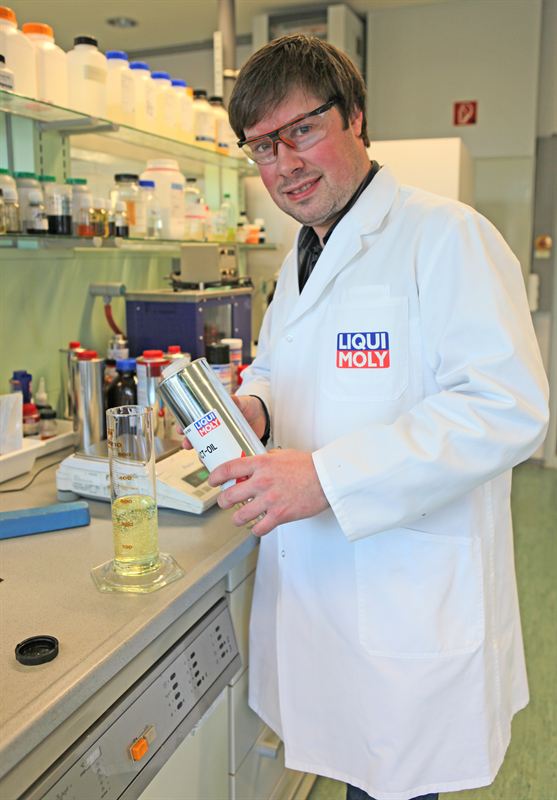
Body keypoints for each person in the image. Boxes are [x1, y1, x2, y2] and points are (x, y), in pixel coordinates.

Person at [194, 34, 549, 800]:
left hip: (404, 593)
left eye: (302, 130)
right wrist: (254, 404)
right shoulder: (302, 254)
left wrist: (327, 478)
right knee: (358, 768)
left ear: (354, 117)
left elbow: (505, 407)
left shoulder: (445, 236)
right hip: (324, 588)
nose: (284, 163)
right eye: (262, 146)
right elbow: (279, 366)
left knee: (397, 779)